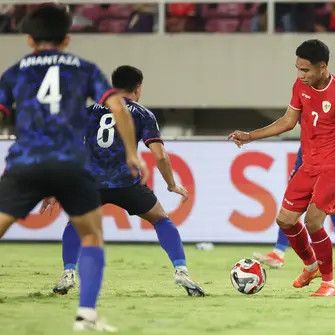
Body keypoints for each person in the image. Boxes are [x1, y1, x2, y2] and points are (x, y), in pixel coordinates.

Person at [0, 4, 146, 331]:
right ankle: (87, 316)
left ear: (28, 39)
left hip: (26, 162)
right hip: (70, 164)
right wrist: (131, 155)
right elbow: (118, 108)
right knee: (92, 236)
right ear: (67, 39)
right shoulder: (84, 68)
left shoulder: (15, 72)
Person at [229, 39, 335, 296]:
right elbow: (288, 121)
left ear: (322, 67)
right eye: (298, 69)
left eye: (305, 70)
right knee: (285, 220)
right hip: (309, 164)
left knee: (313, 221)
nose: (300, 75)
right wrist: (250, 136)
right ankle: (311, 266)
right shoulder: (301, 86)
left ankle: (329, 283)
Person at [45, 65, 205, 298]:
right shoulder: (142, 114)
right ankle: (181, 270)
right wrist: (171, 184)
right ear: (138, 88)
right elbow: (160, 155)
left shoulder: (89, 112)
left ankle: (68, 273)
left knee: (75, 223)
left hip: (91, 183)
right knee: (161, 219)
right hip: (127, 184)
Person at [254, 147, 335, 270]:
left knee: (334, 207)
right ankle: (278, 253)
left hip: (329, 154)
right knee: (292, 205)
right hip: (308, 153)